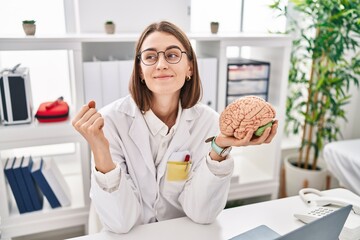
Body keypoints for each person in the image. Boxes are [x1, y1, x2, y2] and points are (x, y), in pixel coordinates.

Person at [72, 21, 278, 234]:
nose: (161, 64)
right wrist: (100, 151)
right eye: (150, 57)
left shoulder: (208, 123)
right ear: (140, 71)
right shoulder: (110, 121)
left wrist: (219, 149)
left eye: (172, 55)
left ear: (189, 66)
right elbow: (120, 223)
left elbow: (202, 214)